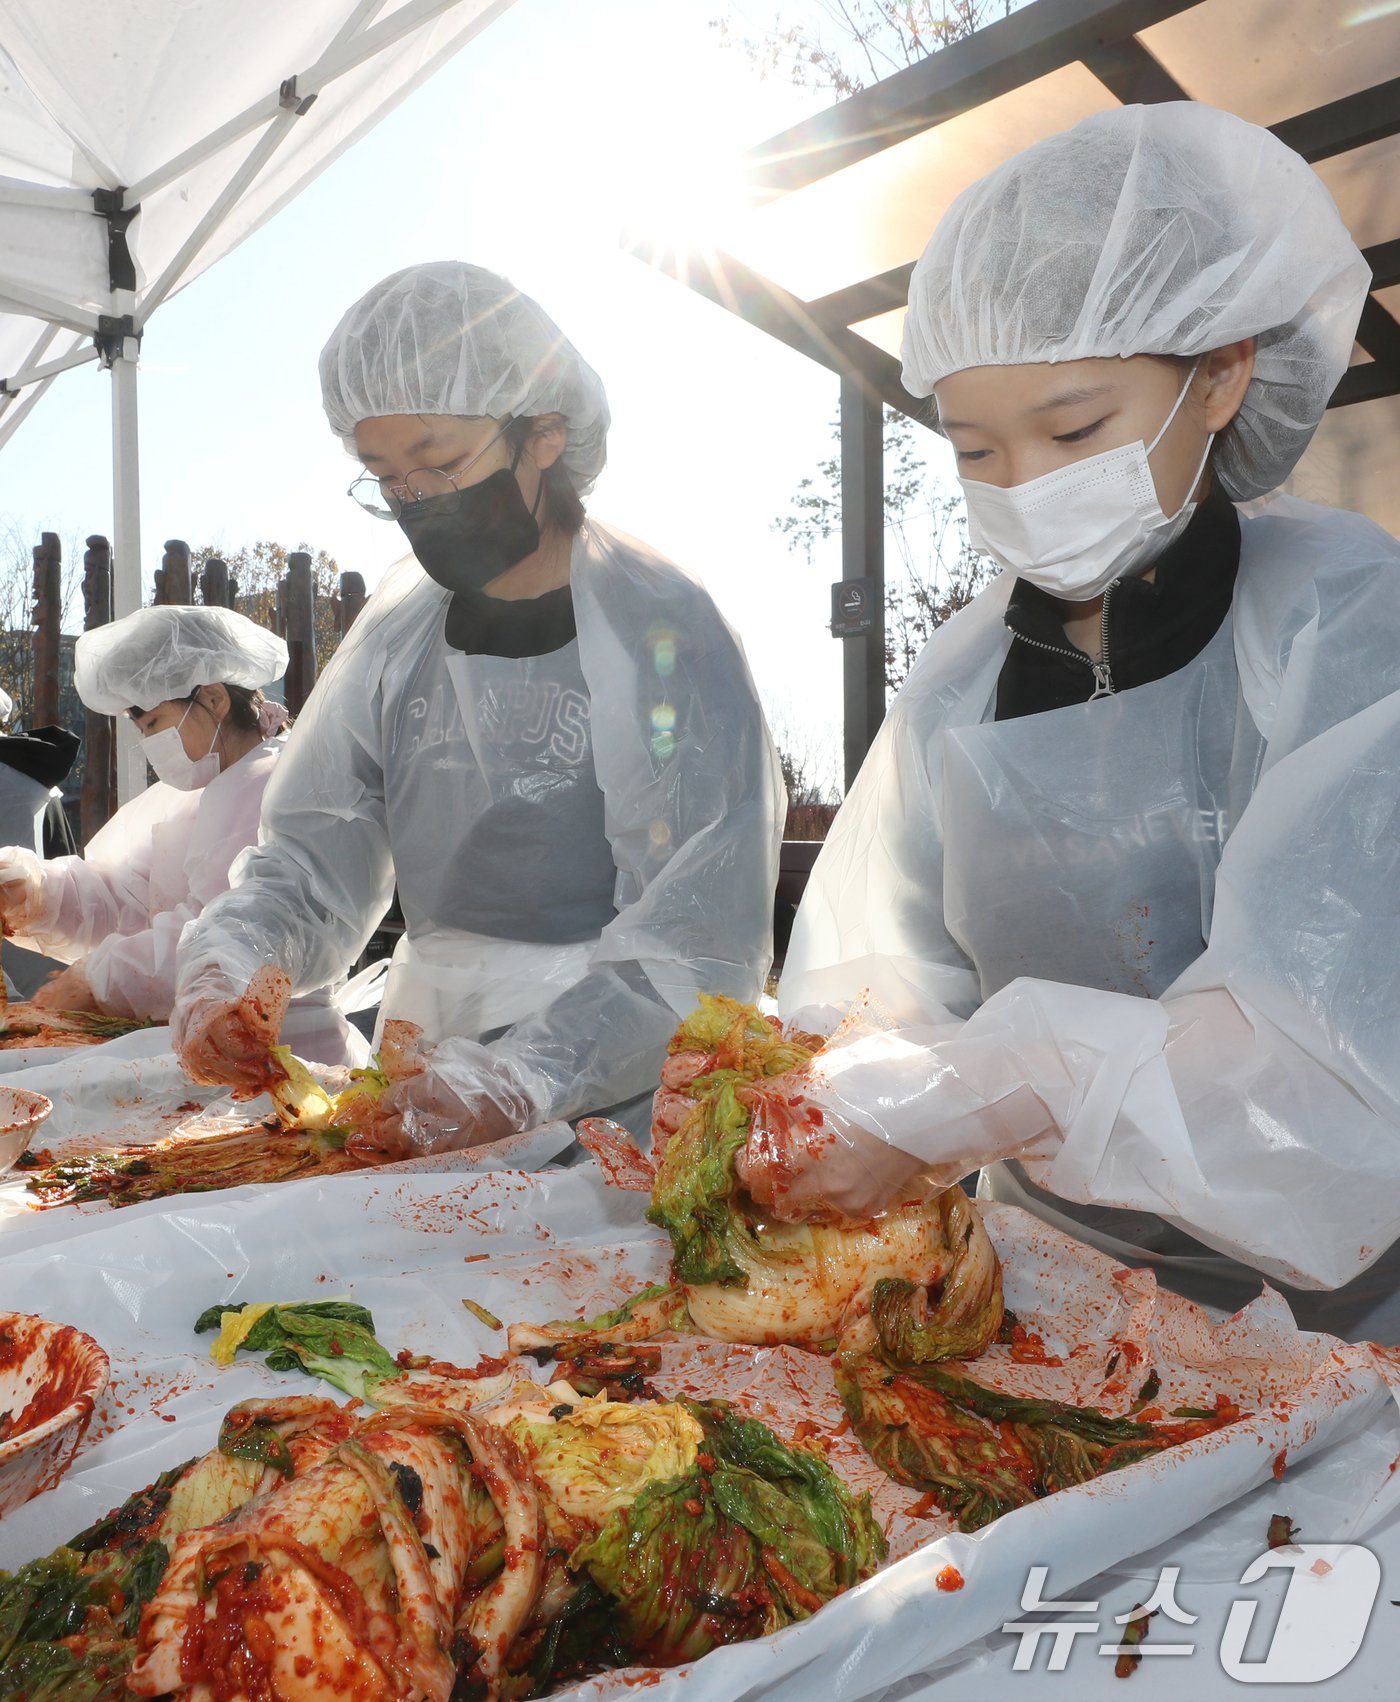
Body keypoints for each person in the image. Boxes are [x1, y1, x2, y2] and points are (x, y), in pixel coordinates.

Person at [772, 103, 1400, 1340]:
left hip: (1329, 1311)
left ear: (1219, 373)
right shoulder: (962, 678)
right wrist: (886, 1097)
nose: (1024, 488)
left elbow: (1325, 1052)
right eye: (974, 451)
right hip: (1035, 1284)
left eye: (1072, 432)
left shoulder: (1342, 621)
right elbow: (866, 985)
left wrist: (1007, 1076)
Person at [171, 261, 783, 1154]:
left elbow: (693, 941)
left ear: (542, 433)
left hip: (626, 1099)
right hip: (428, 1057)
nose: (418, 501)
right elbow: (312, 861)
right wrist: (234, 959)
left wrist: (529, 1075)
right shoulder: (399, 635)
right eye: (385, 478)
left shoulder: (662, 629)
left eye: (441, 463)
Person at [0, 605, 359, 1065]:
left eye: (153, 724)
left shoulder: (278, 789)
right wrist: (35, 892)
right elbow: (125, 899)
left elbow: (226, 934)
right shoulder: (197, 796)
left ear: (213, 699)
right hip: (205, 1053)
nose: (150, 744)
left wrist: (101, 981)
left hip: (283, 1055)